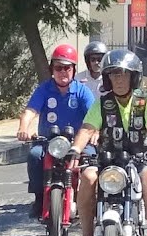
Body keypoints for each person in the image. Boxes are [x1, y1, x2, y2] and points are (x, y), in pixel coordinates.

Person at [66, 49, 147, 236]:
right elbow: (87, 128)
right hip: (108, 160)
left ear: (134, 76)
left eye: (124, 74)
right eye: (114, 74)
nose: (119, 79)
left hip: (141, 158)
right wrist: (75, 148)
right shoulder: (101, 103)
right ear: (107, 77)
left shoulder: (146, 100)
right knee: (86, 177)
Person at [15, 43, 97, 218]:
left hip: (78, 143)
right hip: (49, 142)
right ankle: (38, 198)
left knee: (91, 164)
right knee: (35, 156)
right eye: (58, 68)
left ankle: (91, 202)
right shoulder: (44, 89)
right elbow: (30, 111)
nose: (62, 72)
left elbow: (94, 116)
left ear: (74, 70)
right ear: (52, 69)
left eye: (67, 68)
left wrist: (96, 132)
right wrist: (24, 127)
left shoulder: (82, 91)